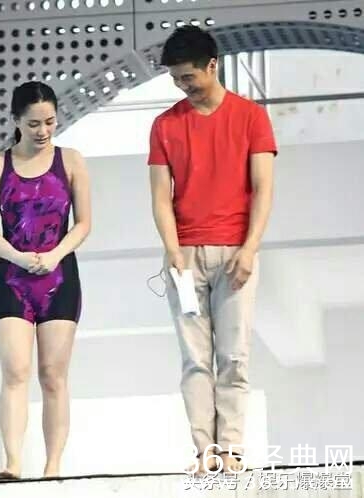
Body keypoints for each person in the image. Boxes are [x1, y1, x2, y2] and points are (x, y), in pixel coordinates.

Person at [148, 26, 277, 474]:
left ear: (212, 65)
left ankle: (232, 449)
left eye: (189, 76)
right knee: (195, 360)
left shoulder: (251, 117)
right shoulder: (165, 125)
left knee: (234, 356)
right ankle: (205, 452)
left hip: (236, 253)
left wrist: (250, 247)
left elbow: (263, 189)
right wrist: (172, 249)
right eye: (176, 79)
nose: (183, 85)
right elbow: (160, 197)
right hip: (185, 258)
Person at [0, 81, 91, 479]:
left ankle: (53, 465)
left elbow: (84, 223)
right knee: (15, 370)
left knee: (53, 376)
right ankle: (12, 461)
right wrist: (19, 257)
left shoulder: (71, 161)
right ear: (16, 121)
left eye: (49, 122)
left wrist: (55, 254)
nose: (43, 131)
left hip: (59, 277)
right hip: (12, 277)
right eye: (33, 124)